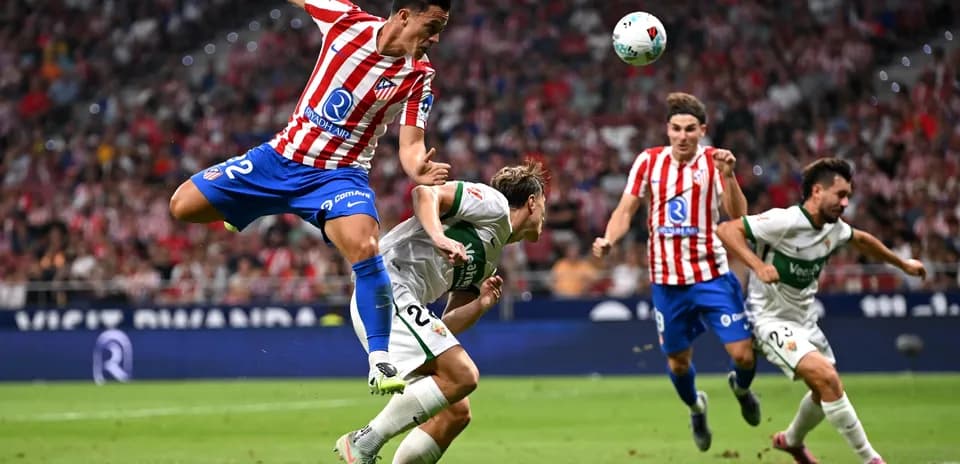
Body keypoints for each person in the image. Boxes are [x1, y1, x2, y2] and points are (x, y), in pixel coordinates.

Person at [167, 0, 454, 395]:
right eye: (433, 25)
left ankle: (381, 360)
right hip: (279, 159)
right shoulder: (345, 19)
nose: (436, 38)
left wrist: (418, 167)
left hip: (338, 177)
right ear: (404, 15)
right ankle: (249, 206)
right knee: (182, 205)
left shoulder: (418, 76)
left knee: (367, 247)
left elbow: (411, 145)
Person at [335, 162, 548, 464]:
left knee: (456, 413)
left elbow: (444, 327)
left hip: (402, 304)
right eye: (544, 205)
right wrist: (440, 237)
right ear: (532, 201)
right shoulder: (494, 204)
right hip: (386, 287)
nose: (544, 215)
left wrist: (481, 305)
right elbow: (425, 194)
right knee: (463, 375)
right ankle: (364, 443)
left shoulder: (489, 260)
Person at [718, 158, 925, 464]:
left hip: (805, 322)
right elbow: (727, 230)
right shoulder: (785, 221)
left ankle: (791, 441)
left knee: (823, 389)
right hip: (769, 320)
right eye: (840, 195)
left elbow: (863, 241)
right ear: (817, 191)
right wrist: (758, 266)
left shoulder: (835, 229)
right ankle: (871, 459)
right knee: (827, 378)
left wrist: (903, 264)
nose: (845, 203)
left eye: (848, 197)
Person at [592, 92, 760, 451]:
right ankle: (697, 407)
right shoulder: (648, 162)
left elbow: (737, 216)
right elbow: (626, 209)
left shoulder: (715, 164)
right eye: (675, 129)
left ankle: (741, 388)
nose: (682, 136)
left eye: (689, 129)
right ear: (667, 130)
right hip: (668, 284)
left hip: (712, 276)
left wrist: (730, 177)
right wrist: (609, 239)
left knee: (744, 355)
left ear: (702, 131)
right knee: (679, 364)